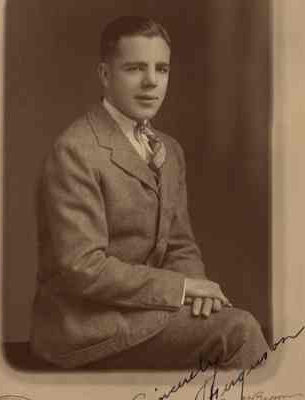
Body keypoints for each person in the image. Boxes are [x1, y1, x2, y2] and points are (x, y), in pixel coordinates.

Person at [30, 15, 269, 370]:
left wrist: (198, 287)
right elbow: (83, 267)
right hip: (87, 327)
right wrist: (183, 288)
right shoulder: (76, 151)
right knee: (240, 331)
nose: (151, 82)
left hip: (147, 311)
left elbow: (180, 244)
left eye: (162, 69)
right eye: (134, 69)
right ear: (105, 75)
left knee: (229, 321)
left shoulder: (169, 150)